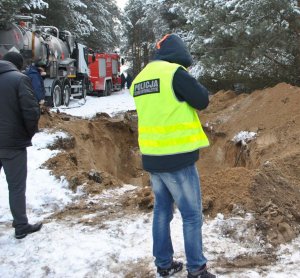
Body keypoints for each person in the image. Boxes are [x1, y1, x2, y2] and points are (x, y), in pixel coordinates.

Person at [129, 34, 216, 278]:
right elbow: (202, 100)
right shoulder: (174, 73)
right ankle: (197, 268)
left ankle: (164, 264)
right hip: (177, 158)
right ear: (178, 54)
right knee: (191, 215)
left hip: (153, 157)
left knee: (162, 212)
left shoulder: (140, 78)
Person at [0, 52, 42, 239]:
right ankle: (21, 225)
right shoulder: (19, 79)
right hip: (12, 144)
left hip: (10, 141)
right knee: (16, 187)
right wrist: (28, 133)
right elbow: (31, 111)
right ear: (17, 65)